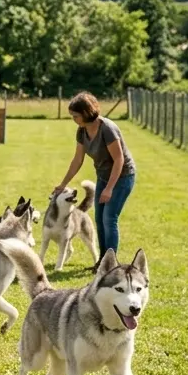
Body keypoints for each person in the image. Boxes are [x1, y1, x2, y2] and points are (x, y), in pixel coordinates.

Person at [52, 91, 136, 268]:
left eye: (75, 116)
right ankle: (102, 262)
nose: (73, 119)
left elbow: (119, 160)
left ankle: (110, 265)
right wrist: (63, 184)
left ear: (86, 112)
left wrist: (109, 188)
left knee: (109, 218)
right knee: (99, 218)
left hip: (122, 176)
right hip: (104, 175)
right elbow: (78, 160)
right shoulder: (82, 131)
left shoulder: (107, 129)